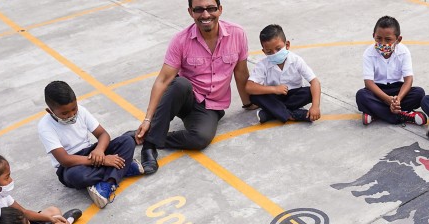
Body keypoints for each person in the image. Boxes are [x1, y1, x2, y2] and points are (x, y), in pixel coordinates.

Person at [135, 0, 253, 174]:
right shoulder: (180, 40)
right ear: (190, 12)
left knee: (200, 139)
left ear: (220, 10)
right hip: (186, 98)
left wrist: (248, 103)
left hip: (212, 105)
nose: (205, 15)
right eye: (199, 10)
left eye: (211, 9)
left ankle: (150, 134)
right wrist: (147, 119)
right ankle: (149, 146)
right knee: (180, 83)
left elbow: (241, 72)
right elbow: (163, 80)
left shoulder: (237, 34)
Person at [38, 81, 143, 209]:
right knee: (77, 176)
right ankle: (122, 168)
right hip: (71, 165)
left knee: (127, 141)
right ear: (50, 111)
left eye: (74, 109)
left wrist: (99, 150)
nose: (71, 115)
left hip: (92, 152)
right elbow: (65, 160)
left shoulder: (81, 111)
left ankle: (107, 184)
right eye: (64, 114)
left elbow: (103, 134)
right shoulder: (45, 126)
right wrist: (104, 160)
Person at [356, 16, 426, 127]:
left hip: (397, 90)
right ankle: (401, 115)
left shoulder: (403, 52)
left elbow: (408, 80)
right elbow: (368, 83)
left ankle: (375, 113)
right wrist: (387, 99)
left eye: (388, 39)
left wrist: (398, 99)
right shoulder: (368, 53)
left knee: (419, 94)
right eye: (379, 38)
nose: (383, 43)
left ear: (398, 39)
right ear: (373, 36)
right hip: (377, 91)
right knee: (361, 96)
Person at [246, 24, 321, 124]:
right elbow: (249, 87)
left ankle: (270, 113)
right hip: (274, 96)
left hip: (294, 94)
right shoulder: (263, 65)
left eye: (278, 48)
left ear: (287, 45)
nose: (275, 53)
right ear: (264, 51)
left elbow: (315, 81)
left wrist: (315, 106)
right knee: (254, 97)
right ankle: (293, 115)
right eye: (269, 51)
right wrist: (275, 89)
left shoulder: (296, 60)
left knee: (309, 92)